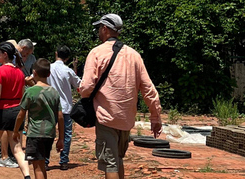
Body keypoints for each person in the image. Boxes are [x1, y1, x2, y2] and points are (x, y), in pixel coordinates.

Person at [79, 14, 162, 179]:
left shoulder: (96, 53)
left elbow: (86, 86)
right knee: (117, 160)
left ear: (105, 29)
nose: (98, 32)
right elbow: (148, 88)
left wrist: (84, 94)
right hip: (126, 119)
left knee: (110, 164)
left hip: (106, 117)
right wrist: (155, 116)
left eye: (99, 29)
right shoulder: (134, 55)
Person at [13, 58, 64, 179]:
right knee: (41, 165)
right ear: (49, 74)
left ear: (34, 73)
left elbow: (21, 114)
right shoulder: (54, 92)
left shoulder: (30, 91)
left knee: (37, 167)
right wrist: (61, 138)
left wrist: (15, 131)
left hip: (35, 133)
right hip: (49, 134)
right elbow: (60, 117)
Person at [0, 41, 30, 179]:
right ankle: (27, 176)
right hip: (16, 111)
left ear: (5, 55)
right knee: (17, 149)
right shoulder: (20, 72)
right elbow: (23, 94)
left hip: (1, 111)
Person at [48, 45, 81, 170]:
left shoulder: (48, 68)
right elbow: (79, 84)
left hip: (50, 106)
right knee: (66, 134)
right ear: (67, 58)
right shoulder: (68, 71)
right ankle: (63, 161)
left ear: (56, 53)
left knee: (49, 133)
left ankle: (45, 160)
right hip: (66, 107)